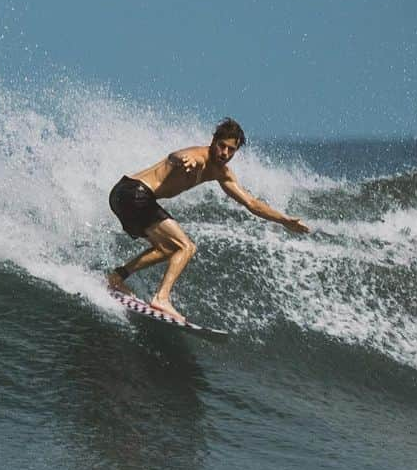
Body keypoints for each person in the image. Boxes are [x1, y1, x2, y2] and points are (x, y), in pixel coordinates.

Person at [107, 118, 309, 321]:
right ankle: (162, 298)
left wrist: (283, 220)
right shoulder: (198, 156)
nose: (225, 153)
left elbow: (252, 203)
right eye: (222, 146)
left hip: (121, 195)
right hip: (135, 193)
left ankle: (117, 277)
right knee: (187, 247)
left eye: (231, 150)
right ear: (213, 140)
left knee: (167, 249)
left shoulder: (221, 172)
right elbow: (175, 156)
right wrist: (184, 160)